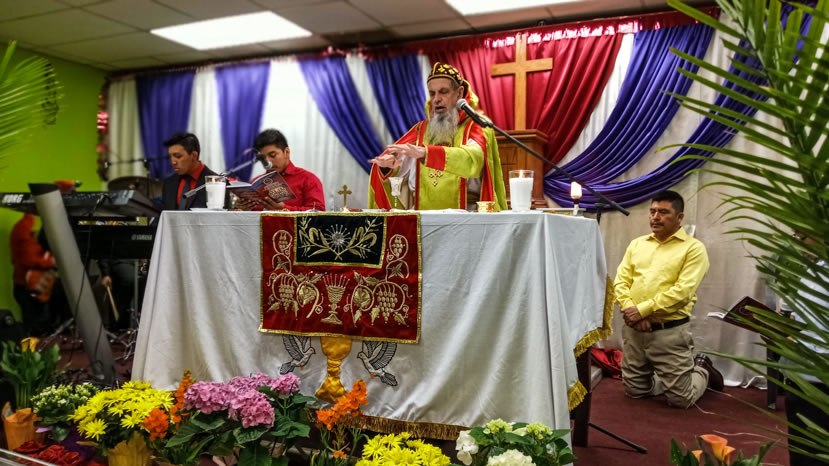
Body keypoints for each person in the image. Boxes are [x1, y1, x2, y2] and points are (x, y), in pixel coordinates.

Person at [613, 190, 723, 408]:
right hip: (635, 329)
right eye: (652, 211)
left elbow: (683, 292)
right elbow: (620, 282)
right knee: (635, 391)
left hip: (669, 332)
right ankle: (671, 380)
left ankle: (702, 368)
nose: (655, 217)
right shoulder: (637, 244)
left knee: (682, 400)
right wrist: (632, 312)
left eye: (663, 212)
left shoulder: (693, 249)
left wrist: (642, 311)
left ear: (679, 217)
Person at [368, 62, 506, 211]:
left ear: (459, 93)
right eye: (432, 93)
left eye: (443, 92)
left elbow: (473, 161)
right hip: (422, 218)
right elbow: (400, 173)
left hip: (467, 217)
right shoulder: (421, 130)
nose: (436, 99)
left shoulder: (477, 125)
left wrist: (427, 153)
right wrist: (387, 167)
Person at [241, 129, 325, 211]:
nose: (267, 162)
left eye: (272, 155)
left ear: (286, 152)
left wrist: (284, 209)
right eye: (262, 158)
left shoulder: (308, 179)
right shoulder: (254, 183)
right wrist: (243, 209)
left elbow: (318, 212)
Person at [160, 132, 224, 210]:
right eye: (170, 157)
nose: (173, 162)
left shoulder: (217, 183)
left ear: (194, 156)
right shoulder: (168, 182)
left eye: (178, 156)